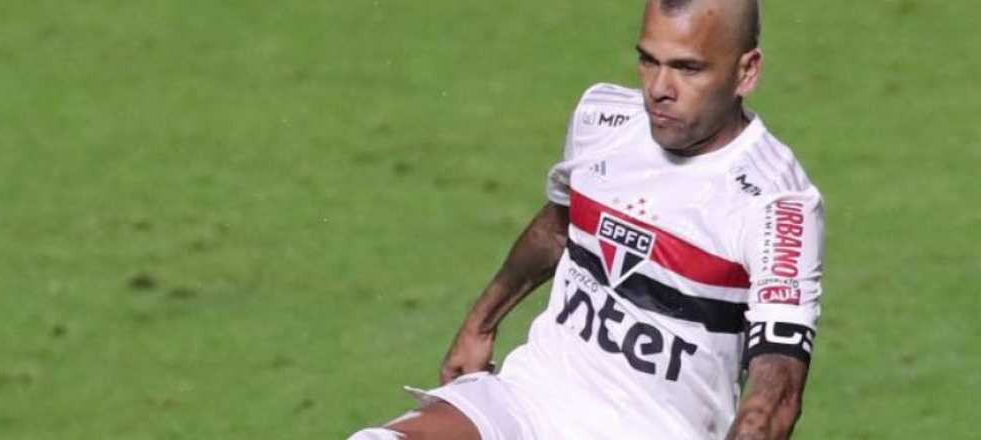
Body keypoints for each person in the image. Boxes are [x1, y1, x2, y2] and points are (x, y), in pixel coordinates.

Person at [349, 0, 824, 438]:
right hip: (531, 398)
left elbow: (777, 390)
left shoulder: (777, 206)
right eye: (649, 61)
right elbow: (560, 226)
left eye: (687, 68)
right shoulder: (604, 119)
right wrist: (481, 322)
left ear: (746, 71)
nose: (659, 89)